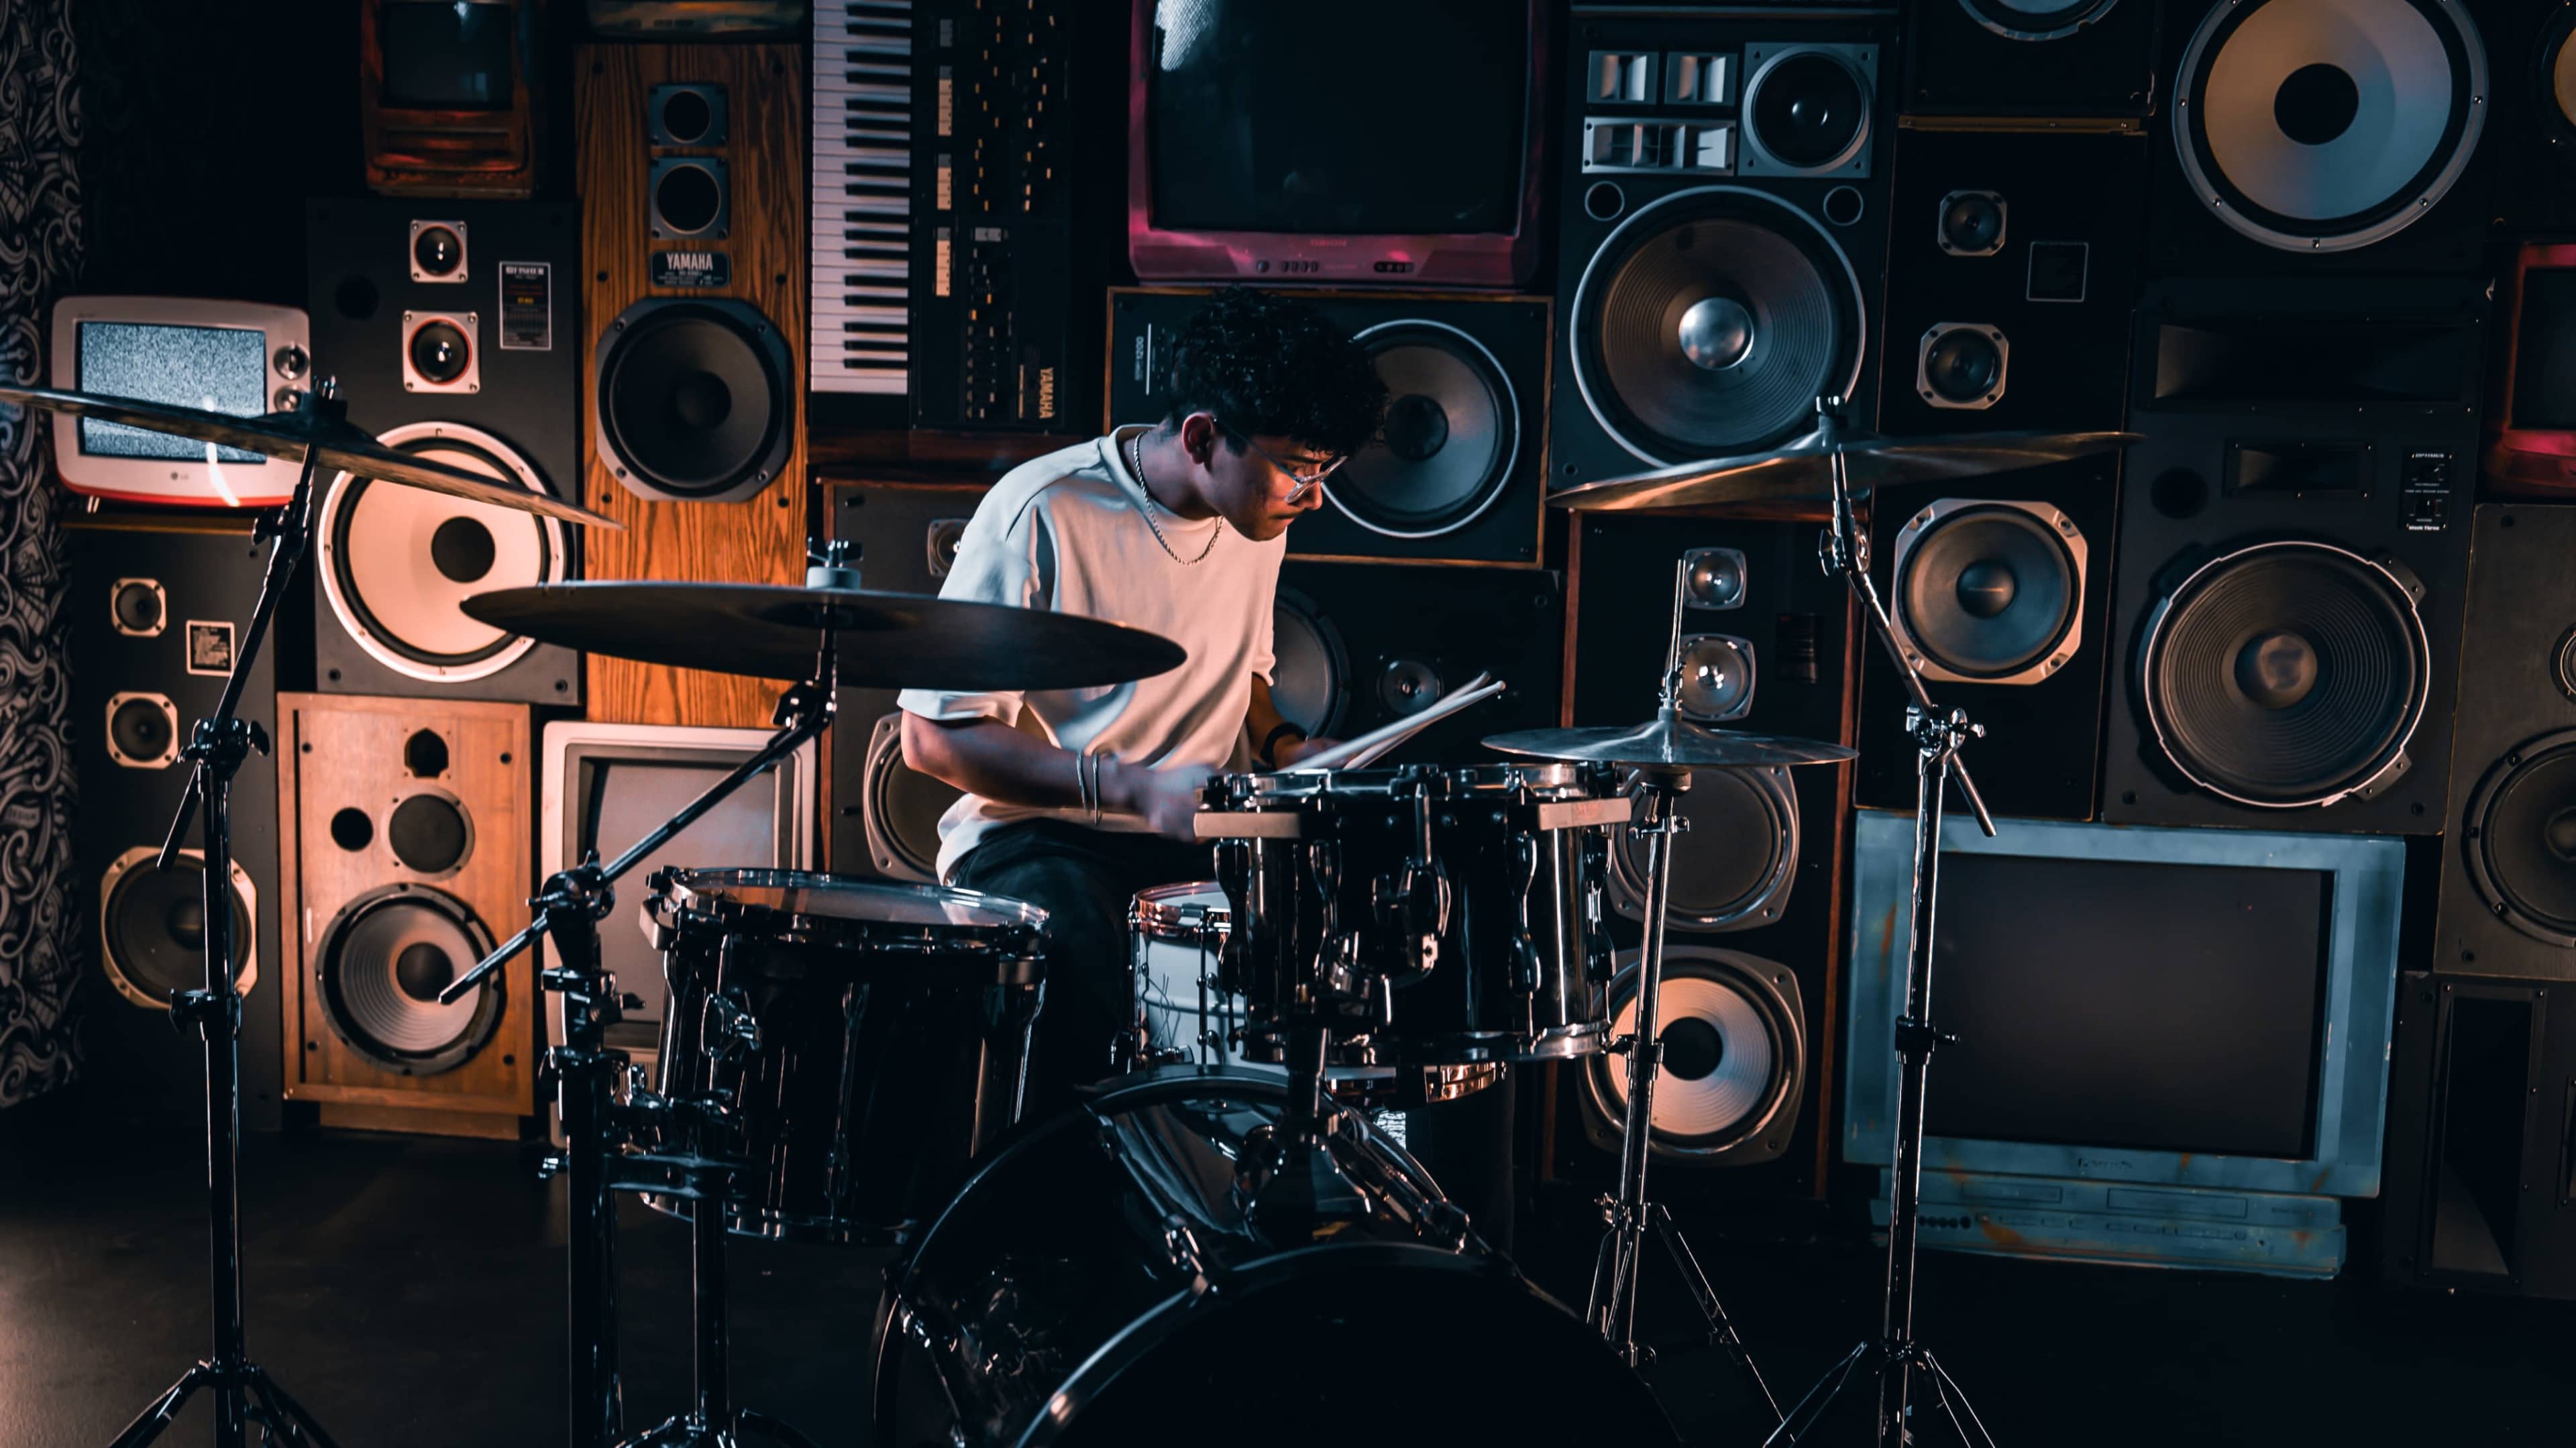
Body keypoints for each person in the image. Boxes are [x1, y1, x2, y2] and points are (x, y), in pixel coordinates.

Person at [898, 286, 1386, 1114]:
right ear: (1203, 437)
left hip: (1190, 835)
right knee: (1091, 970)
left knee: (1343, 950)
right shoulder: (1041, 508)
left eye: (1325, 471)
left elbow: (1245, 673)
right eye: (1300, 470)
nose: (1314, 497)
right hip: (1037, 839)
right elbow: (933, 739)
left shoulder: (1254, 516)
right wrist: (1122, 785)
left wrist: (1283, 747)